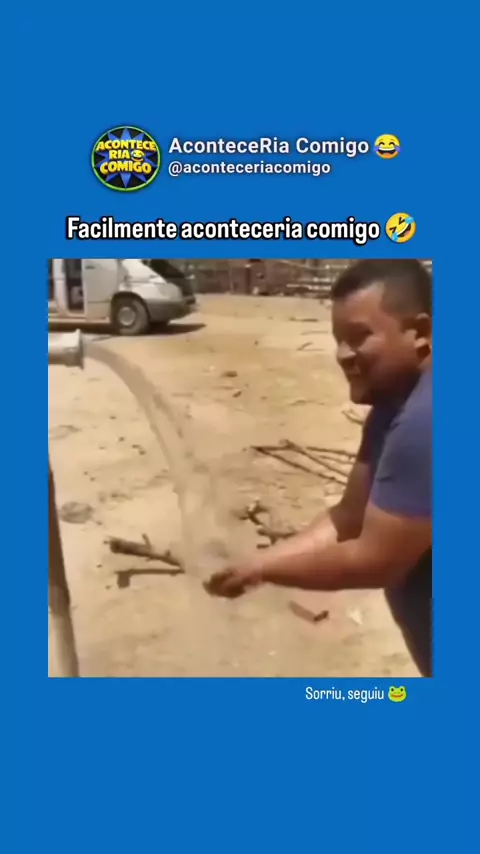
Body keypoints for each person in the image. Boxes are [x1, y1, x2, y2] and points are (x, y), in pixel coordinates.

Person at [205, 259, 432, 677]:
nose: (343, 355)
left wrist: (265, 571)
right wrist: (258, 563)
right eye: (338, 340)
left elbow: (374, 562)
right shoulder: (390, 405)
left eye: (359, 337)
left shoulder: (427, 421)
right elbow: (348, 518)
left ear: (419, 332)